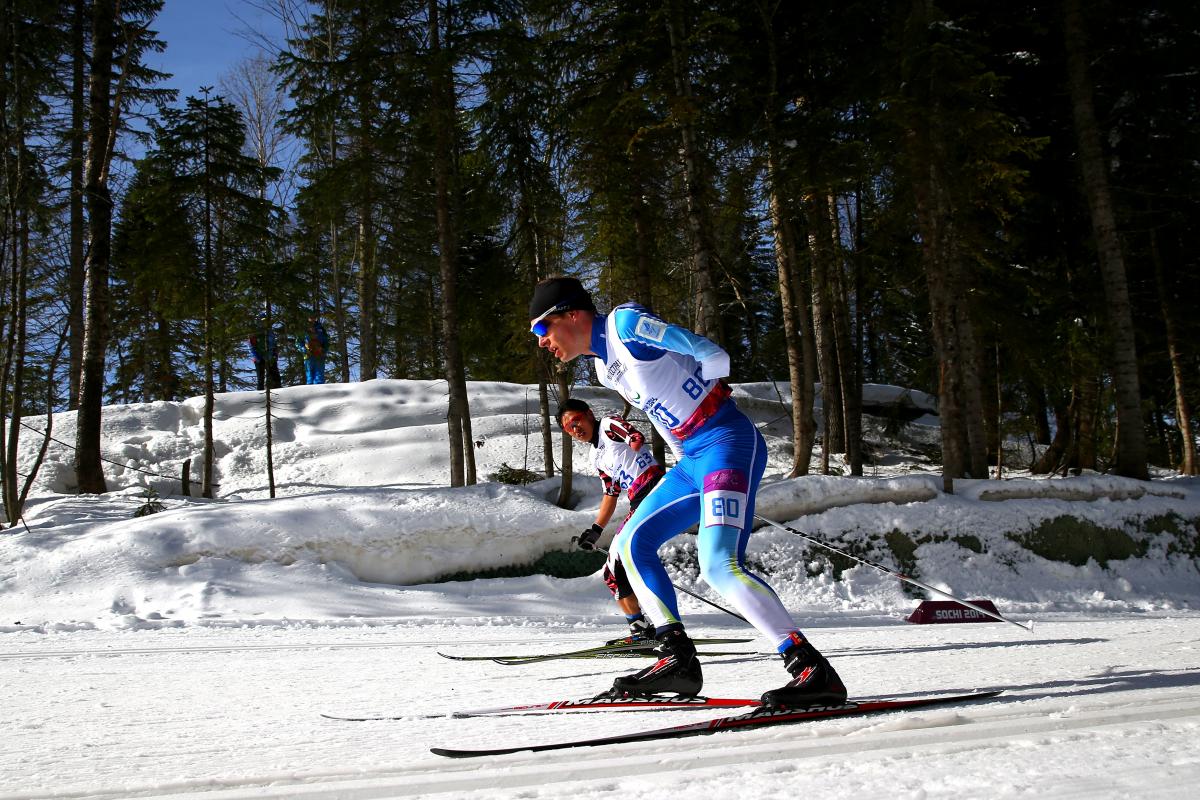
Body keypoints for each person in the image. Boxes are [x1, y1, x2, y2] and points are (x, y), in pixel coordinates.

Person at [529, 276, 846, 708]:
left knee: (717, 565)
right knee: (627, 545)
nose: (543, 342)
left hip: (728, 445)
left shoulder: (623, 325)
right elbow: (665, 414)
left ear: (571, 314)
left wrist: (711, 371)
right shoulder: (605, 368)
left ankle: (811, 669)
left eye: (542, 329)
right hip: (694, 461)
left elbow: (704, 349)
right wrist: (682, 460)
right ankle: (677, 660)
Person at [557, 398, 664, 645]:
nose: (575, 429)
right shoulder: (596, 456)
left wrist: (634, 439)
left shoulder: (607, 424)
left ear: (588, 414)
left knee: (620, 566)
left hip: (655, 490)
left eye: (576, 421)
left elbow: (627, 432)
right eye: (568, 428)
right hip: (639, 501)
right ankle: (641, 630)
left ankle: (657, 629)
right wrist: (595, 530)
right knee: (612, 572)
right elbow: (610, 494)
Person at [298, 317, 329, 385]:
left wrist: (324, 350)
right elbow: (298, 342)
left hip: (319, 355)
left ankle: (320, 392)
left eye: (313, 317)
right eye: (310, 317)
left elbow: (326, 341)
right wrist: (304, 350)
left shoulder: (321, 328)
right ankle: (311, 392)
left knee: (319, 376)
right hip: (308, 355)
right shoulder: (303, 329)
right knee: (310, 376)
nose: (312, 319)